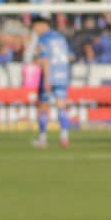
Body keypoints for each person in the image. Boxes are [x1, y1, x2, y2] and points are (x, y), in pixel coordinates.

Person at [28, 18, 72, 149]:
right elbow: (70, 56)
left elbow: (45, 58)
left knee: (43, 106)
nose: (35, 30)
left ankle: (42, 139)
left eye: (36, 26)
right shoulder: (61, 38)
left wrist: (47, 78)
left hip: (49, 75)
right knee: (61, 105)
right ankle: (64, 137)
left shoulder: (43, 39)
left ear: (43, 25)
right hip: (62, 75)